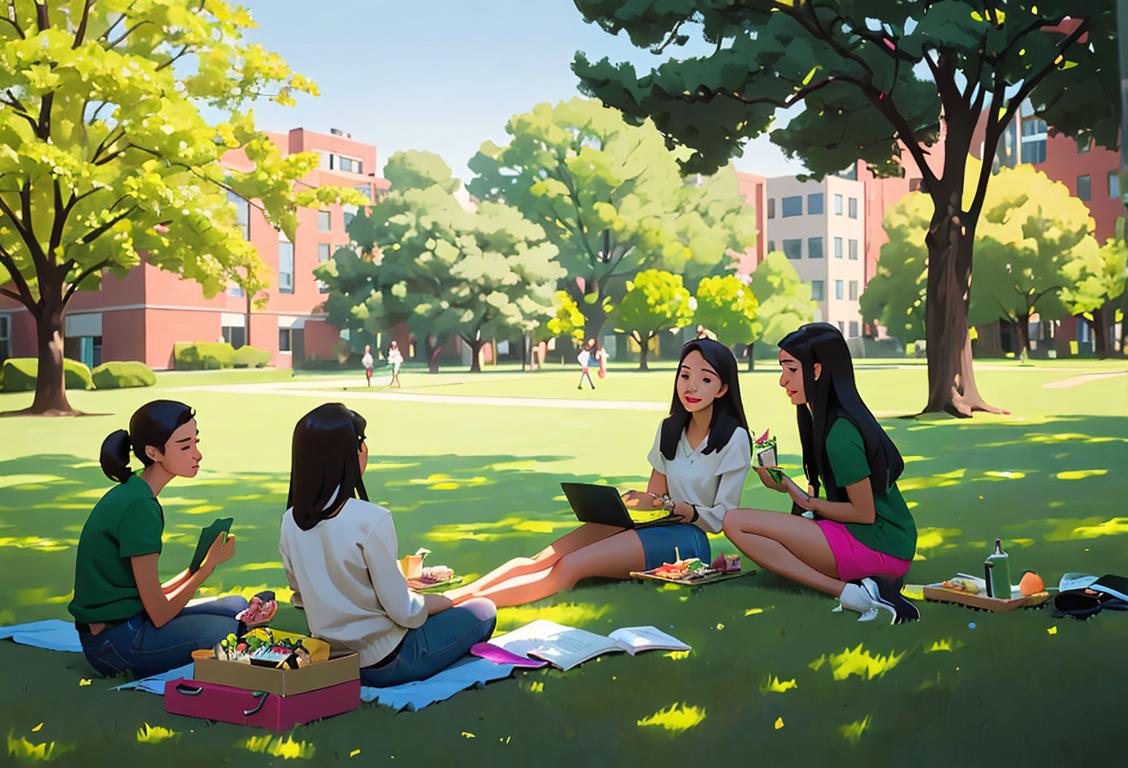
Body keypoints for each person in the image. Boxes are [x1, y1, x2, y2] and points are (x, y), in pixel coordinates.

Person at [445, 339, 752, 608]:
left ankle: (466, 608)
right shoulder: (669, 429)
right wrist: (638, 504)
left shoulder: (734, 439)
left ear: (723, 388)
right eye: (684, 376)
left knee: (569, 567)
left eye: (705, 379)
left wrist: (678, 509)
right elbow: (656, 498)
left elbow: (724, 515)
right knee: (544, 558)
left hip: (689, 540)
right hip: (657, 525)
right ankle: (454, 597)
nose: (691, 386)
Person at [278, 403, 496, 686]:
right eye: (361, 442)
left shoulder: (289, 522)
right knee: (484, 610)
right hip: (390, 660)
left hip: (333, 659)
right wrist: (448, 600)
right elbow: (404, 611)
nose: (365, 449)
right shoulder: (371, 519)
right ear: (348, 454)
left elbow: (299, 595)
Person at [723, 323, 919, 624]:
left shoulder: (840, 434)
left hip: (877, 545)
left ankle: (847, 592)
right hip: (880, 542)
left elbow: (864, 513)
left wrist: (808, 502)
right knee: (760, 530)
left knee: (734, 521)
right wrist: (791, 489)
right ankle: (860, 586)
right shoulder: (827, 421)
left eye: (790, 369)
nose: (782, 380)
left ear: (816, 371)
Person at [69, 400, 275, 678]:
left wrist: (194, 569)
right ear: (154, 452)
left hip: (130, 620)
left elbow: (150, 593)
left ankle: (242, 623)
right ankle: (241, 631)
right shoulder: (140, 508)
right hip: (115, 643)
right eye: (185, 446)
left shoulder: (136, 492)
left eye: (195, 442)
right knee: (231, 632)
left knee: (237, 606)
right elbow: (159, 612)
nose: (197, 454)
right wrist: (208, 567)